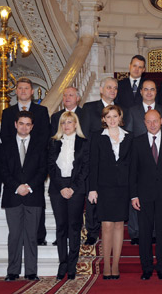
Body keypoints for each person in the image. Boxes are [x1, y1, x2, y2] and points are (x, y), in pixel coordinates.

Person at [0, 77, 50, 246]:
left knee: (37, 204)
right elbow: (5, 137)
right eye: (20, 88)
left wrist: (33, 152)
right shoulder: (8, 112)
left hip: (34, 164)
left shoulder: (42, 111)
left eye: (26, 88)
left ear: (32, 92)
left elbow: (45, 136)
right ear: (16, 91)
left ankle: (39, 236)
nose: (23, 91)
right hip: (14, 165)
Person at [130, 110, 162, 281]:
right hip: (143, 196)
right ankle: (147, 268)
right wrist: (134, 195)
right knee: (144, 233)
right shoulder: (137, 142)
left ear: (161, 121)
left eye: (155, 121)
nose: (152, 124)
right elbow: (133, 172)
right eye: (149, 121)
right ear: (144, 122)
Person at [124, 79, 162, 245]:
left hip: (160, 162)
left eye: (152, 89)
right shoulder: (132, 111)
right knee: (137, 200)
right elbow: (129, 136)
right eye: (146, 89)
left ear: (156, 92)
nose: (149, 92)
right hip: (140, 159)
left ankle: (154, 233)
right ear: (140, 92)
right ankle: (135, 232)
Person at [0, 111, 47, 281]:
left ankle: (31, 272)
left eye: (28, 124)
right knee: (14, 236)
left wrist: (29, 186)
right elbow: (2, 170)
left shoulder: (40, 145)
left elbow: (43, 170)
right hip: (13, 196)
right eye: (21, 123)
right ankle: (12, 271)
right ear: (15, 124)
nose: (24, 127)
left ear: (32, 127)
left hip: (33, 196)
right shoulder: (5, 144)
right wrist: (17, 187)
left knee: (31, 236)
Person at [88, 105, 132, 280]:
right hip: (104, 186)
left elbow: (133, 164)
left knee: (119, 225)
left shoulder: (129, 137)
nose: (112, 119)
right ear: (104, 119)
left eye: (115, 116)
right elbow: (93, 164)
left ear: (120, 117)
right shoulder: (97, 137)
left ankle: (116, 265)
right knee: (106, 225)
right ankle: (106, 265)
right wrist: (92, 188)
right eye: (109, 116)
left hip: (123, 187)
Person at [48, 111, 89, 281]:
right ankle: (62, 264)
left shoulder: (84, 143)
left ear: (75, 124)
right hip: (57, 188)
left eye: (70, 122)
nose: (66, 126)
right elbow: (50, 166)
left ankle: (72, 265)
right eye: (64, 123)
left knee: (74, 227)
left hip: (76, 189)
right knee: (61, 227)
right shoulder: (53, 142)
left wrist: (72, 188)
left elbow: (85, 168)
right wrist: (61, 187)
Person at [81, 76, 119, 246]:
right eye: (109, 87)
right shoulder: (89, 108)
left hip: (114, 162)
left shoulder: (119, 110)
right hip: (94, 159)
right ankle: (92, 231)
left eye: (115, 88)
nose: (112, 90)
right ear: (101, 90)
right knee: (92, 198)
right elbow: (84, 135)